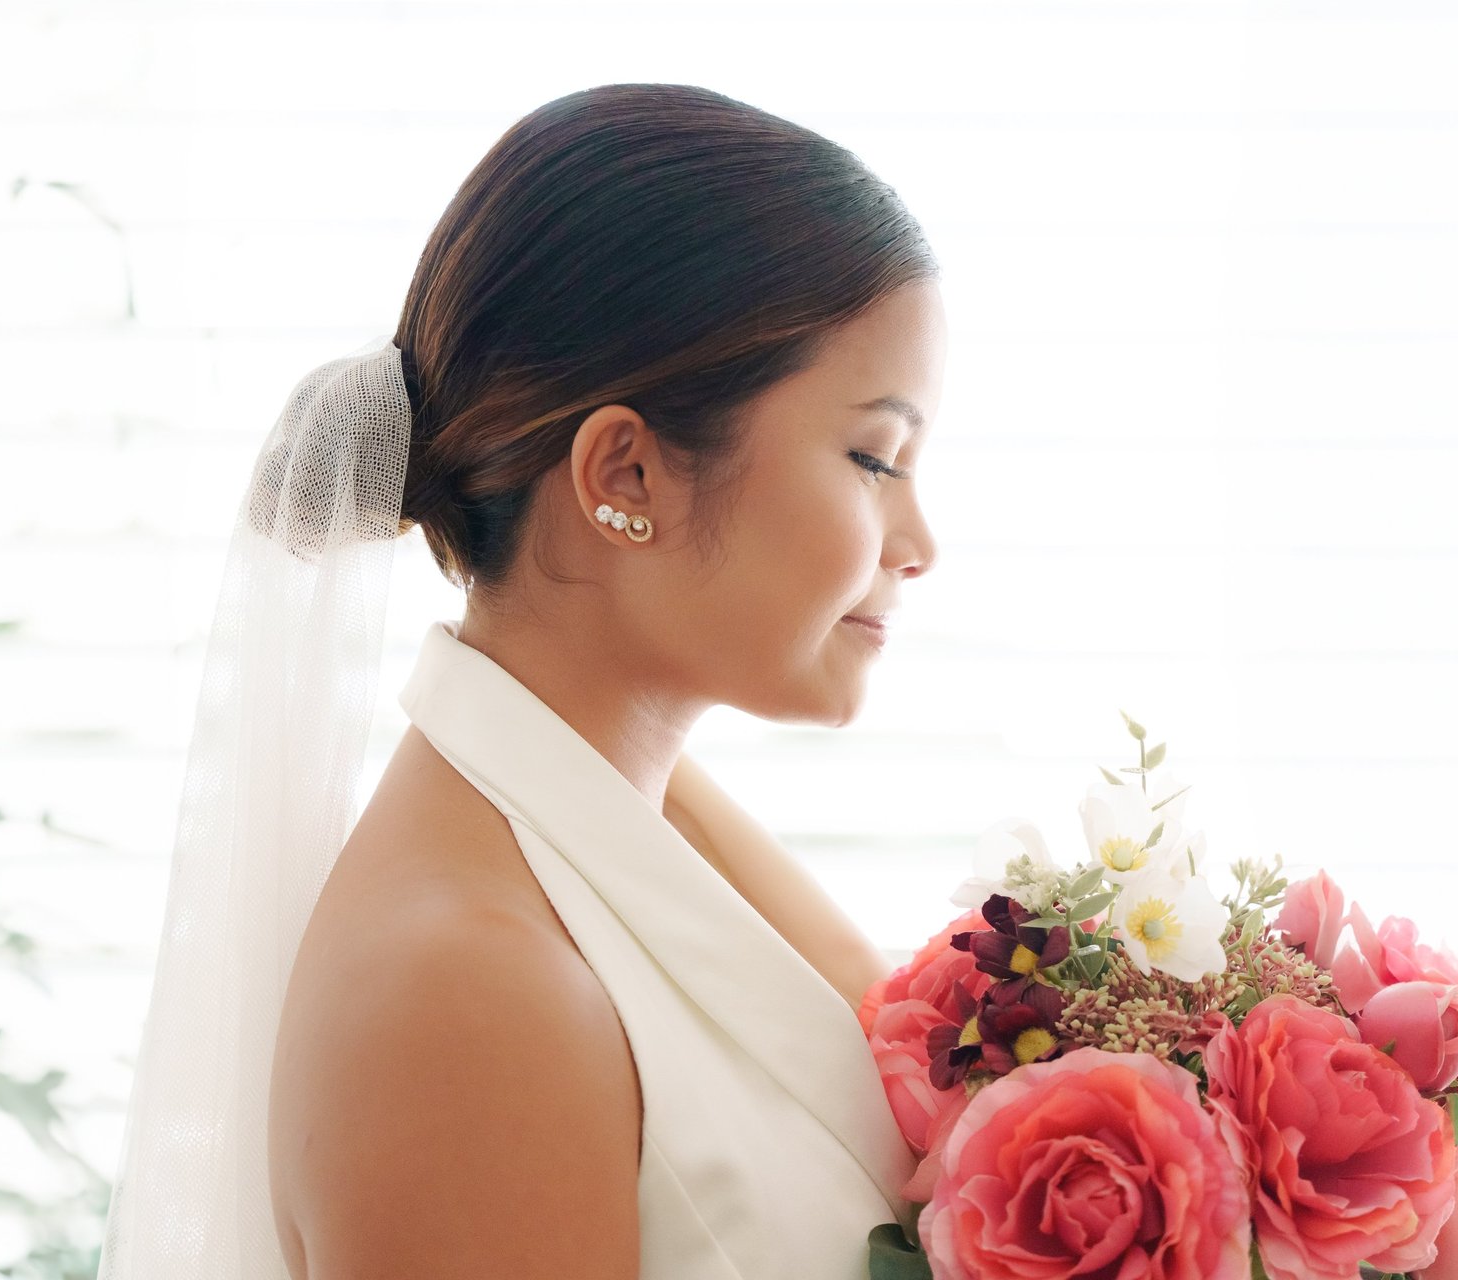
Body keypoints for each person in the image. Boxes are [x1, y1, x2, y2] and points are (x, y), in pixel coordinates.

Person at [95, 83, 944, 1279]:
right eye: (875, 457)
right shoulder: (465, 988)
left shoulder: (628, 818)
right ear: (628, 473)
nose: (918, 541)